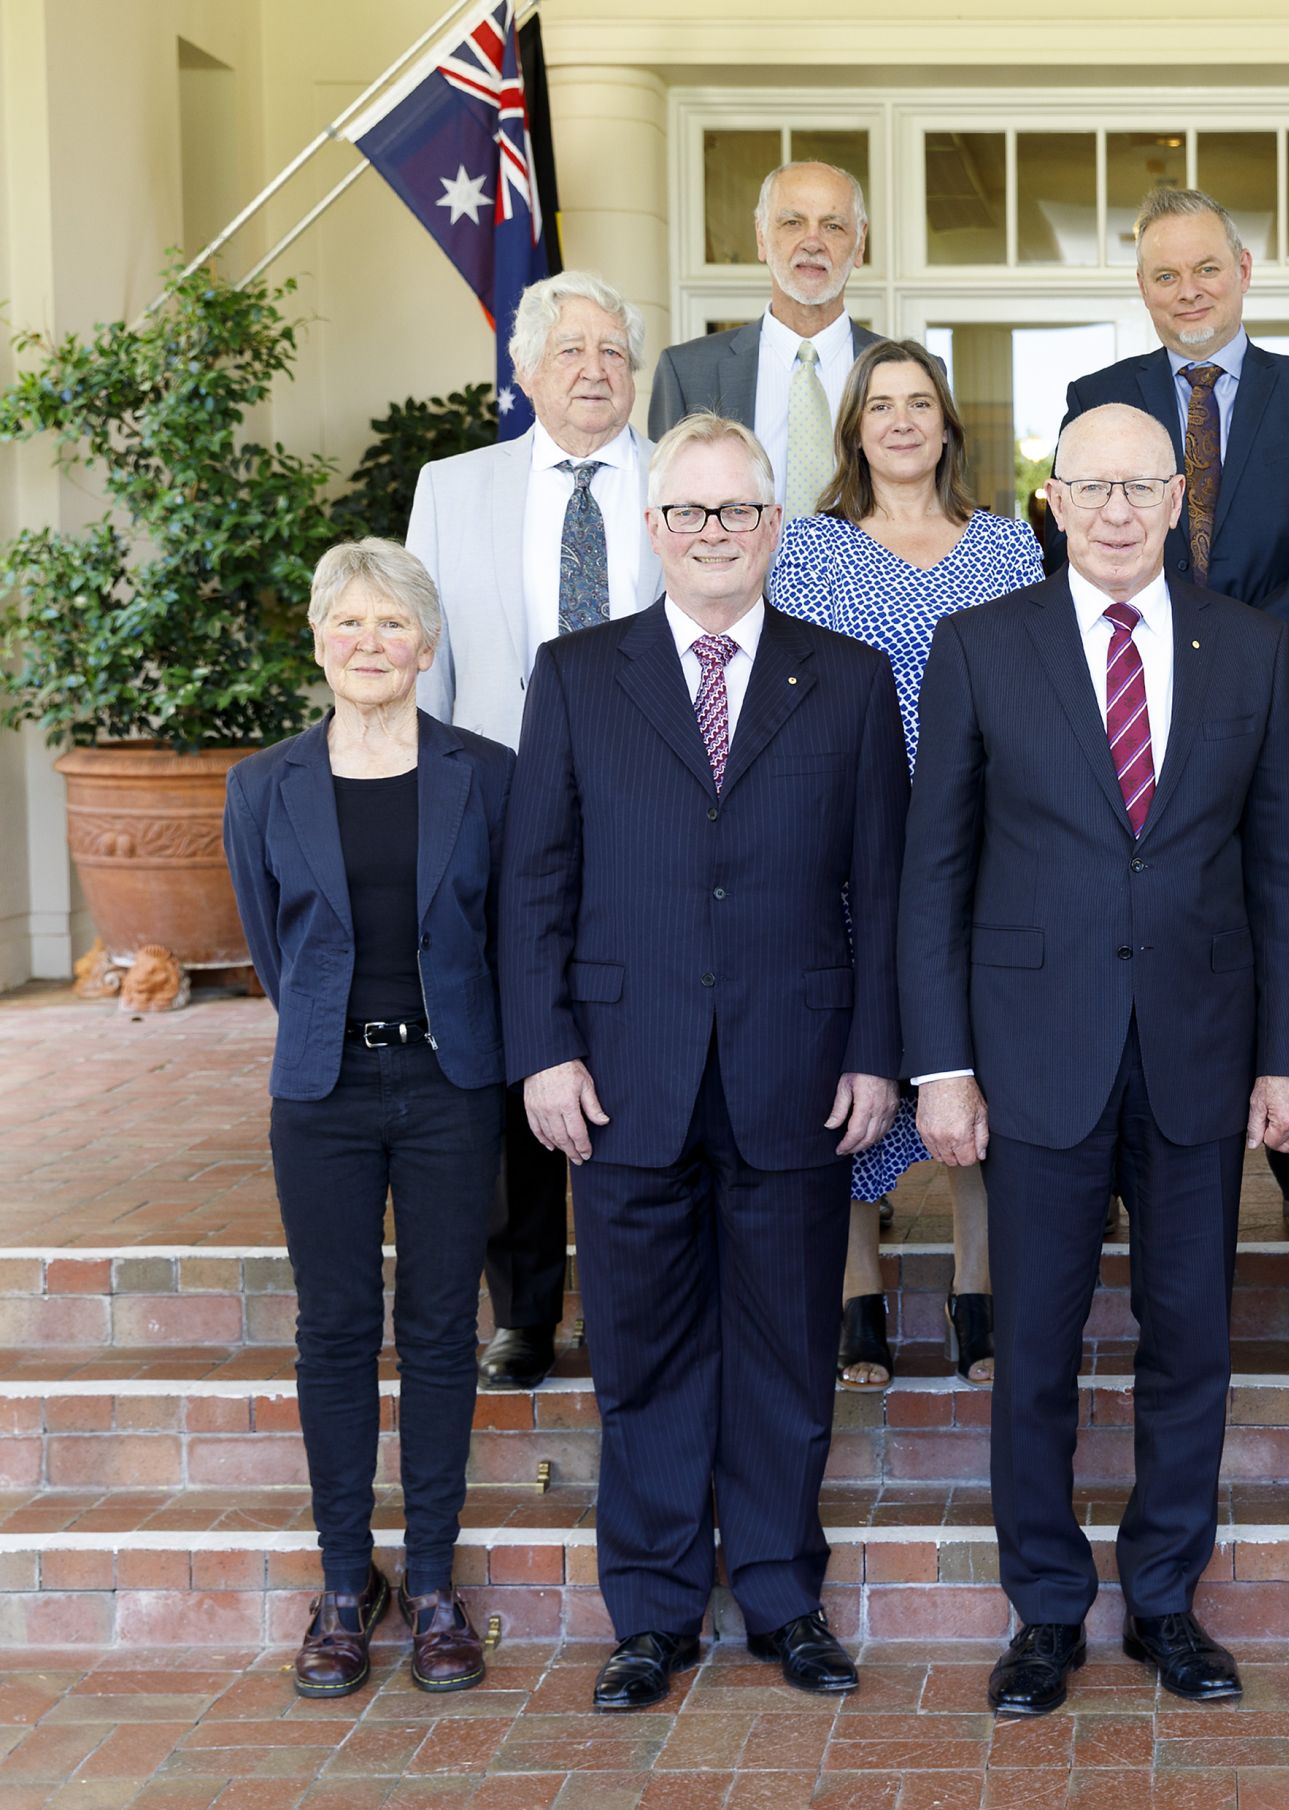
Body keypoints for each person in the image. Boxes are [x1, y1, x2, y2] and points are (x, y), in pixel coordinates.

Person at [901, 403, 1289, 1718]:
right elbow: (936, 874)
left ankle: (1161, 1600)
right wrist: (941, 1064)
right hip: (1033, 1056)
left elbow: (1278, 875)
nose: (1122, 509)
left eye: (1145, 485)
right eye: (1096, 487)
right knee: (1032, 1342)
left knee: (1190, 1337)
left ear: (1179, 496)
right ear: (1056, 499)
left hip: (1201, 1053)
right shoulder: (979, 646)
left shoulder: (1250, 649)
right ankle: (1042, 1610)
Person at [499, 413, 909, 1712]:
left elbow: (884, 892)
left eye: (737, 512)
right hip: (621, 1076)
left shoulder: (844, 679)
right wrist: (545, 1051)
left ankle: (785, 1600)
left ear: (775, 528)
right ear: (653, 528)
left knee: (788, 1350)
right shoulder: (576, 676)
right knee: (643, 1356)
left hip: (798, 1069)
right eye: (690, 513)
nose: (715, 533)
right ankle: (657, 1612)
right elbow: (535, 886)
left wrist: (880, 1054)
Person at [221, 539, 512, 1700]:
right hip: (323, 1093)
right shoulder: (264, 784)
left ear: (427, 646)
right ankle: (347, 1585)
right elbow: (269, 944)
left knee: (442, 1330)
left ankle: (433, 1582)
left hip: (451, 1088)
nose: (371, 645)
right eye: (348, 624)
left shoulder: (484, 773)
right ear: (318, 640)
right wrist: (333, 1034)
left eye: (393, 626)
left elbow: (504, 933)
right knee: (335, 1330)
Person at [1055, 186, 1289, 1216]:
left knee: (1280, 908)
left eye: (1204, 269)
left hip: (1273, 711)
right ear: (1140, 288)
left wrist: (1237, 654)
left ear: (1244, 271)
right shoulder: (1099, 392)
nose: (1186, 291)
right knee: (1139, 910)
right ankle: (1111, 1126)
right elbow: (1089, 541)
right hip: (1124, 717)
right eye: (1162, 275)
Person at [768, 337, 1043, 1388]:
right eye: (879, 404)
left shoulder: (1010, 548)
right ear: (853, 429)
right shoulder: (804, 551)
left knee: (983, 1063)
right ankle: (858, 1298)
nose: (899, 421)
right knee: (854, 1060)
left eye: (918, 402)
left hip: (986, 842)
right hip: (848, 842)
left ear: (946, 424)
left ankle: (978, 1293)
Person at [409, 268, 659, 1394]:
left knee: (643, 1049)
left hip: (659, 813)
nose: (594, 370)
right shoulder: (452, 487)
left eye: (613, 351)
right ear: (524, 369)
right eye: (570, 350)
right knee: (521, 1045)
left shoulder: (688, 481)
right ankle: (522, 1308)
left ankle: (636, 1297)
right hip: (503, 807)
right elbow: (429, 666)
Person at [647, 161, 883, 515]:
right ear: (761, 236)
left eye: (832, 226)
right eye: (792, 222)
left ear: (860, 242)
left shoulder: (910, 374)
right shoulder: (686, 373)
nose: (813, 242)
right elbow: (667, 516)